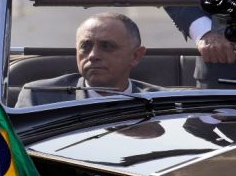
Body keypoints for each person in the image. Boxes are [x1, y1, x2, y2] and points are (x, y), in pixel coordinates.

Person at [15, 13, 160, 107]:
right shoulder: (39, 97)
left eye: (107, 46)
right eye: (85, 46)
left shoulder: (162, 102)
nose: (92, 55)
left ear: (135, 56)